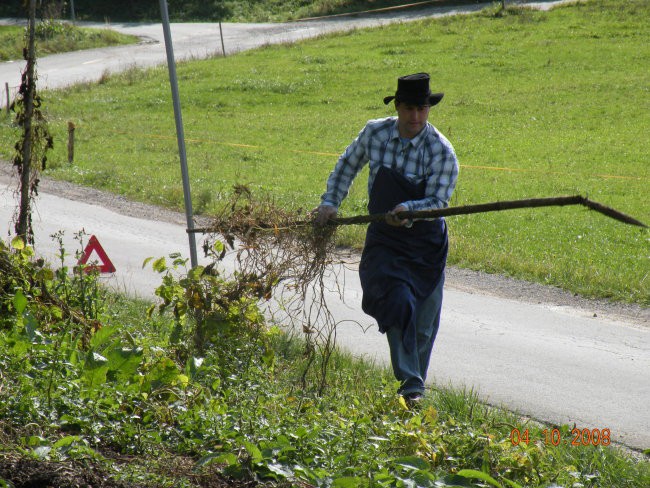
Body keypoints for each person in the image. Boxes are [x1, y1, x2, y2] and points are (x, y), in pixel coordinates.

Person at [313, 73, 459, 406]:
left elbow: (438, 203)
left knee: (423, 326)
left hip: (425, 246)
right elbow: (347, 164)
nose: (416, 117)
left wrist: (409, 209)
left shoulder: (441, 152)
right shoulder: (375, 133)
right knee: (396, 302)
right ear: (397, 106)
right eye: (409, 109)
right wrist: (330, 202)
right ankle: (410, 382)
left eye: (422, 109)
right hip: (385, 241)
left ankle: (413, 395)